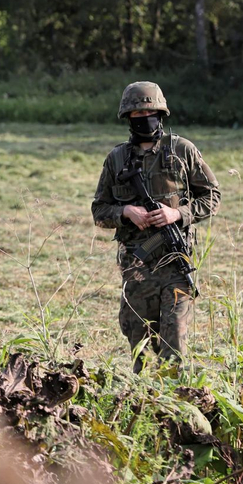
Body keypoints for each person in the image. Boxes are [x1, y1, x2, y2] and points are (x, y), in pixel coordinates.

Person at [91, 82, 221, 372]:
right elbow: (99, 211)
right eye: (136, 113)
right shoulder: (117, 159)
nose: (143, 117)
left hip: (176, 264)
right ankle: (145, 407)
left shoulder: (182, 151)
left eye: (149, 112)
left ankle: (176, 406)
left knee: (174, 345)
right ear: (128, 118)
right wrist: (126, 211)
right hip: (136, 268)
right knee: (141, 349)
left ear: (160, 114)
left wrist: (178, 214)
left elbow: (212, 196)